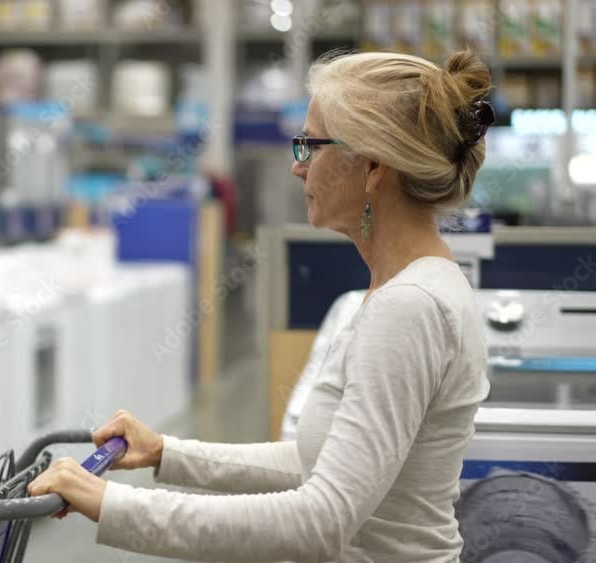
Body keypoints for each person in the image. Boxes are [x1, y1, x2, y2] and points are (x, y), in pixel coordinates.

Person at [28, 49, 493, 562]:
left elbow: (320, 520)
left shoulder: (409, 309)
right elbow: (321, 465)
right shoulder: (410, 289)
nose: (298, 166)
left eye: (311, 145)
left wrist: (112, 505)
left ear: (374, 166)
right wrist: (167, 452)